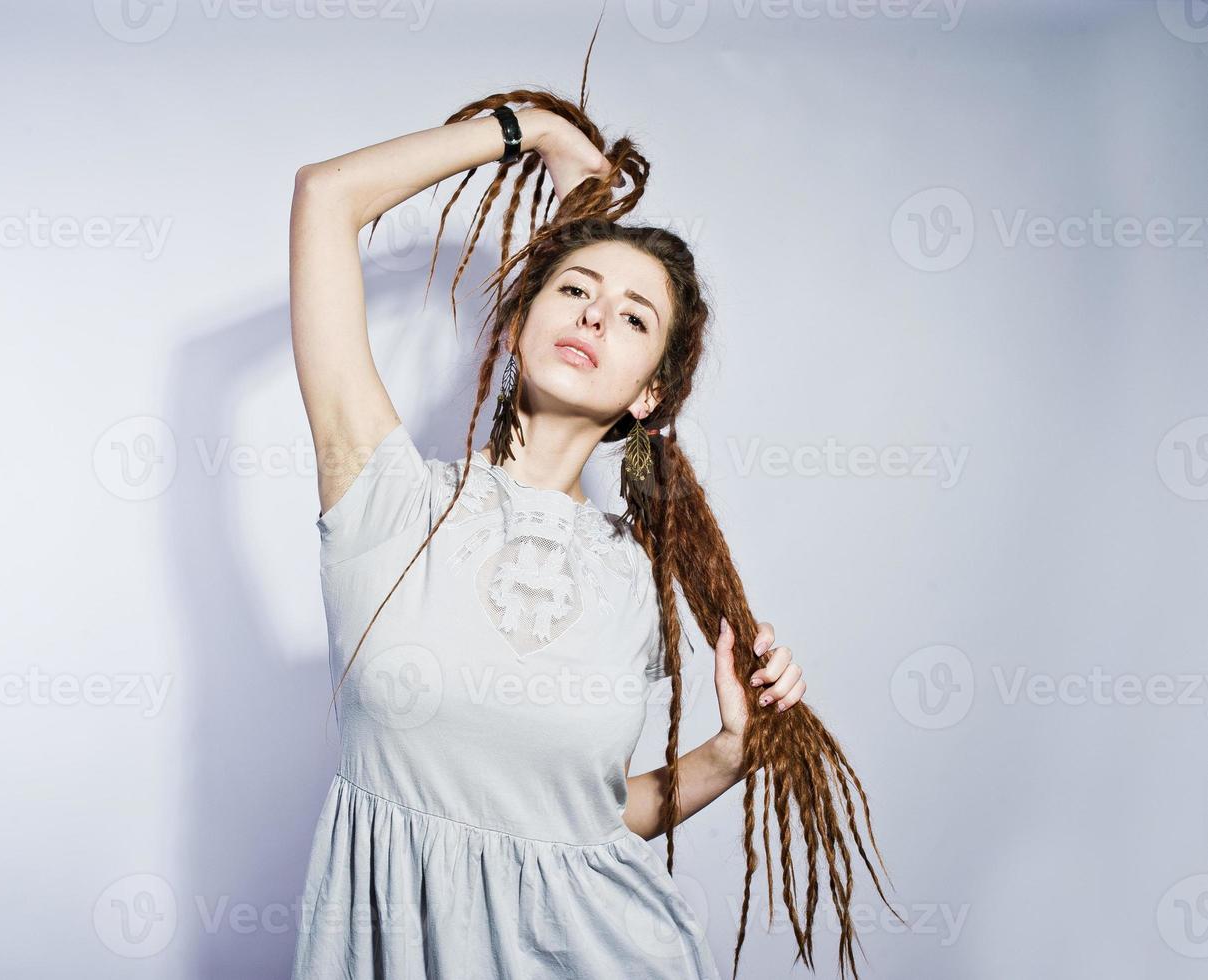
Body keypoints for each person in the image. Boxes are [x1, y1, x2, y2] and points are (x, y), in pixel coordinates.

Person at [287, 87, 897, 980]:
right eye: (575, 288)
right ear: (520, 318)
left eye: (634, 316)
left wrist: (729, 755)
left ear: (648, 396)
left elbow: (582, 826)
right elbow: (323, 197)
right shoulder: (387, 500)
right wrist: (531, 133)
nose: (596, 315)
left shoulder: (632, 584)